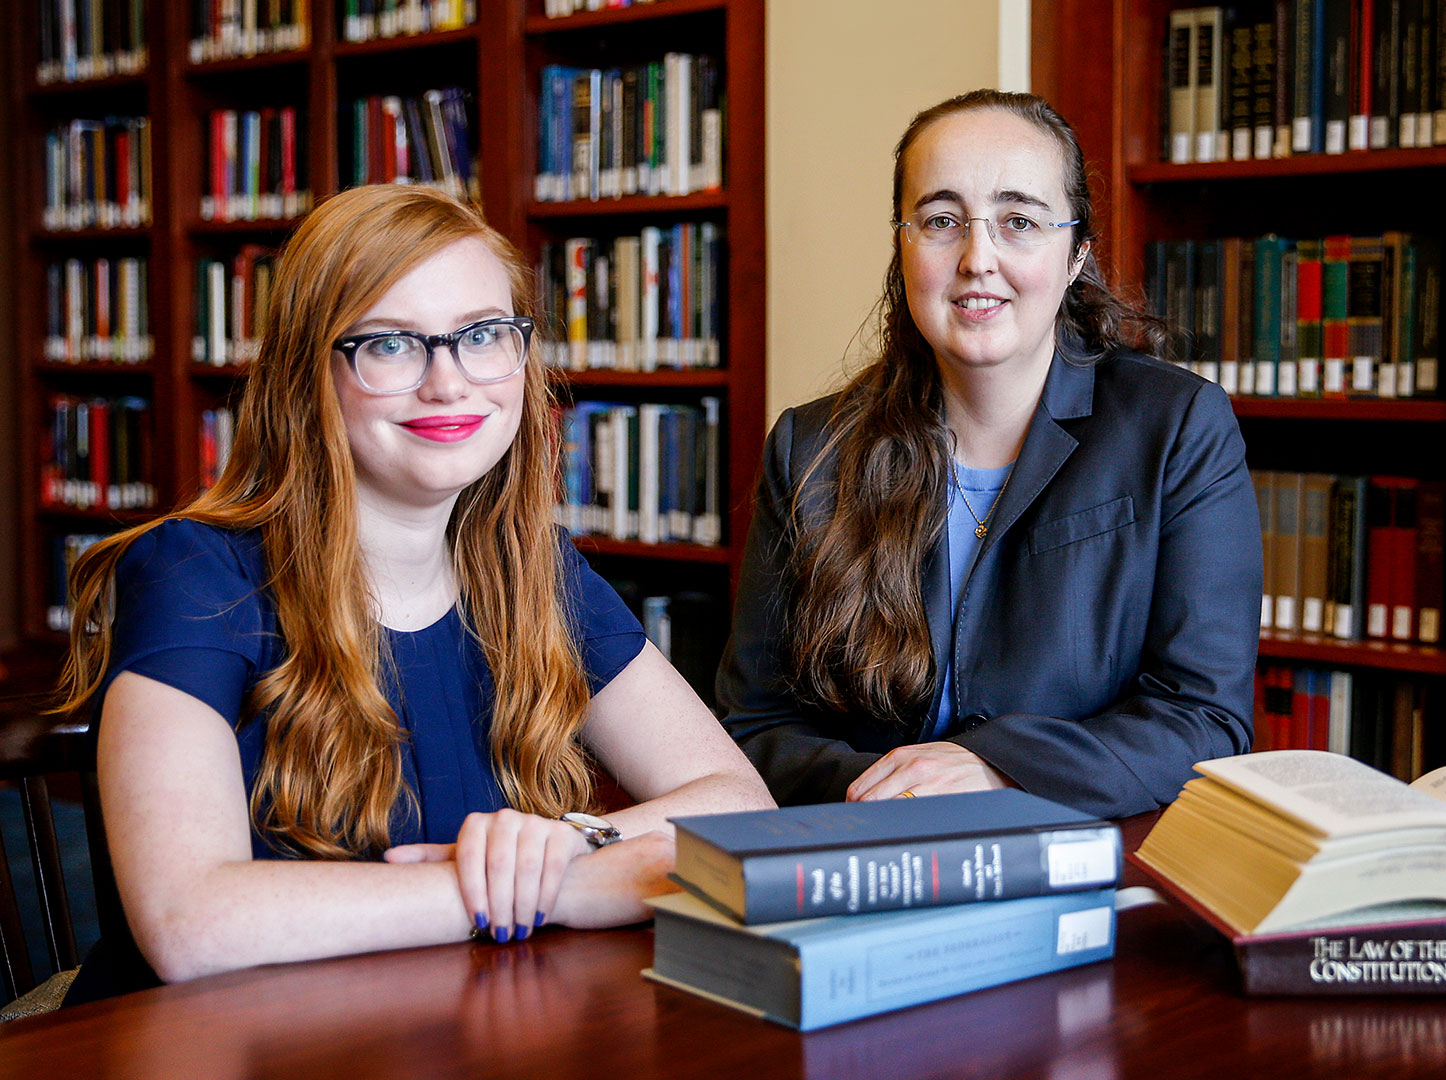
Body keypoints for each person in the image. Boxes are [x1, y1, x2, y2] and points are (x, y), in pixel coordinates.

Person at [51, 184, 772, 1005]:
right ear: (306, 372)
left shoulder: (534, 569)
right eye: (392, 344)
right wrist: (550, 890)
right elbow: (190, 923)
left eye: (482, 335)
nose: (450, 383)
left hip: (459, 1027)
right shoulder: (194, 573)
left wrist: (565, 842)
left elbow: (740, 805)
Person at [718, 90, 1260, 820]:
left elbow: (1205, 720)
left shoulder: (1177, 428)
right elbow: (754, 727)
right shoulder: (809, 447)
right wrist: (899, 793)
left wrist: (996, 770)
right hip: (866, 855)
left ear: (1075, 257)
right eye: (942, 221)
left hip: (1079, 858)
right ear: (903, 246)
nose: (978, 259)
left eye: (1019, 222)